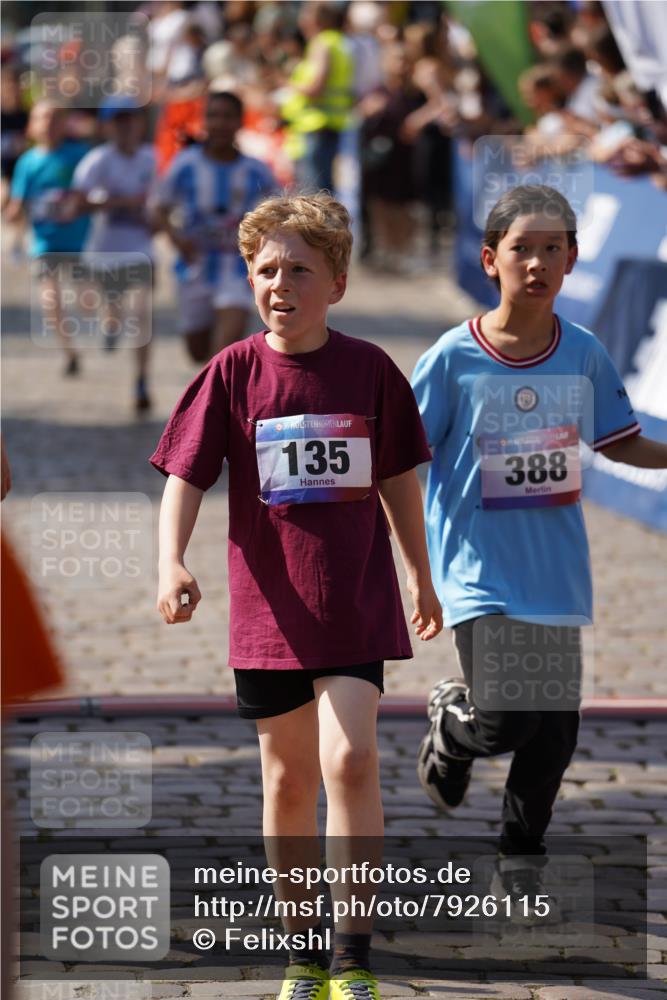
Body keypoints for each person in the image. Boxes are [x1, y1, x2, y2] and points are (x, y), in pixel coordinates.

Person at [150, 192, 442, 1000]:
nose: (280, 283)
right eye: (265, 269)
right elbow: (184, 474)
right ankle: (302, 952)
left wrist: (419, 570)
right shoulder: (231, 372)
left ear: (337, 283)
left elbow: (396, 478)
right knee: (286, 781)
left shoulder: (370, 370)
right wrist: (169, 561)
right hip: (268, 612)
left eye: (299, 270)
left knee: (348, 758)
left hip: (352, 600)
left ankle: (352, 959)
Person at [412, 184, 667, 912]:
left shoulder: (581, 352)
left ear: (572, 259)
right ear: (490, 260)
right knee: (507, 718)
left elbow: (618, 440)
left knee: (553, 734)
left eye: (553, 248)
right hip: (477, 571)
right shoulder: (451, 357)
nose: (537, 262)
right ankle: (453, 726)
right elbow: (400, 451)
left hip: (554, 573)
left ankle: (519, 865)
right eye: (521, 248)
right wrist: (399, 556)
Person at [151, 90, 275, 363]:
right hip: (194, 267)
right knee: (198, 352)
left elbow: (279, 213)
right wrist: (176, 240)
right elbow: (158, 208)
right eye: (214, 116)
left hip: (238, 268)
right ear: (204, 121)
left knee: (224, 351)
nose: (220, 123)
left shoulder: (257, 171)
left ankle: (219, 401)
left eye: (228, 117)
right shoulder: (185, 164)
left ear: (240, 122)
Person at [71, 97, 157, 411]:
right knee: (113, 310)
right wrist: (119, 203)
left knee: (142, 312)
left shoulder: (154, 158)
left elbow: (165, 202)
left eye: (131, 119)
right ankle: (110, 325)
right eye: (119, 120)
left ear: (141, 124)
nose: (126, 126)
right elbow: (77, 203)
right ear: (108, 126)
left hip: (141, 250)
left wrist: (157, 219)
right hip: (104, 251)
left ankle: (141, 379)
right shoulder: (97, 161)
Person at [5, 101, 90, 376]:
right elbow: (18, 203)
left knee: (86, 301)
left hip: (80, 243)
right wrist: (12, 212)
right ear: (32, 126)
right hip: (44, 244)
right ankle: (69, 351)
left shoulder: (79, 156)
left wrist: (79, 203)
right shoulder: (28, 162)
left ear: (65, 124)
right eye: (42, 118)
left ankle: (104, 325)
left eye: (55, 118)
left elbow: (92, 191)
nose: (49, 125)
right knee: (50, 300)